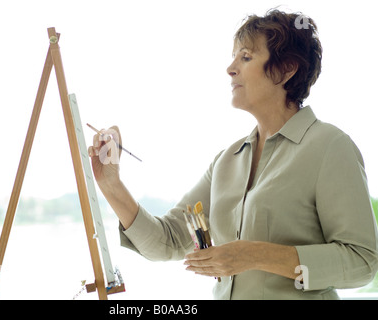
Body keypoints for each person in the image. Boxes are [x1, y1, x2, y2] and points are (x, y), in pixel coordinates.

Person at [88, 9, 378, 299]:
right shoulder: (227, 161)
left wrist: (256, 255)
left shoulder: (330, 146)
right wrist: (111, 184)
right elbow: (169, 242)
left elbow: (362, 262)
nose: (230, 68)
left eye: (246, 57)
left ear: (287, 69)